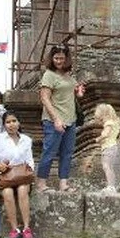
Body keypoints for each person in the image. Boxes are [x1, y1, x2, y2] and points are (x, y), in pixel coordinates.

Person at [36, 44, 85, 193]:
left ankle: (64, 183)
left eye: (62, 58)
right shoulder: (49, 75)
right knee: (49, 151)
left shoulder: (68, 76)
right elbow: (44, 98)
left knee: (67, 153)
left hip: (70, 119)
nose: (59, 61)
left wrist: (78, 92)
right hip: (53, 120)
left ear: (67, 59)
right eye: (56, 58)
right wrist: (56, 119)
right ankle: (41, 184)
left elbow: (71, 92)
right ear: (52, 58)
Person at [0, 110, 35, 238]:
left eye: (14, 121)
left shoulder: (26, 140)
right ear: (4, 125)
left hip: (22, 176)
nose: (11, 124)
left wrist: (29, 170)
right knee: (7, 193)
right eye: (8, 122)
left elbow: (30, 160)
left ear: (19, 123)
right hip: (5, 177)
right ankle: (14, 229)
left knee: (22, 190)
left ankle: (26, 228)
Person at [94, 103, 120, 194]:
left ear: (103, 115)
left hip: (108, 147)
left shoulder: (108, 123)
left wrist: (98, 139)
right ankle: (112, 186)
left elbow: (105, 134)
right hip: (113, 146)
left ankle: (110, 186)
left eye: (100, 118)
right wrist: (118, 143)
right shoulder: (115, 123)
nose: (100, 121)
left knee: (106, 166)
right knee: (110, 167)